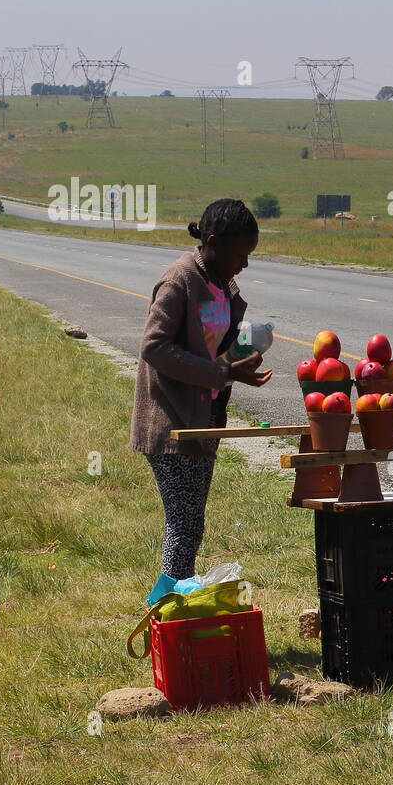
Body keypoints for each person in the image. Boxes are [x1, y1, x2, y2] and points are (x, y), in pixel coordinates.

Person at [130, 198, 272, 604]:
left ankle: (175, 607)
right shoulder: (180, 280)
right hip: (171, 422)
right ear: (212, 242)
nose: (244, 264)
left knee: (190, 523)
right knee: (184, 523)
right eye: (240, 254)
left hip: (202, 418)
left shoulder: (221, 283)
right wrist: (223, 372)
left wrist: (239, 356)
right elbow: (154, 348)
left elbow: (213, 351)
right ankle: (168, 611)